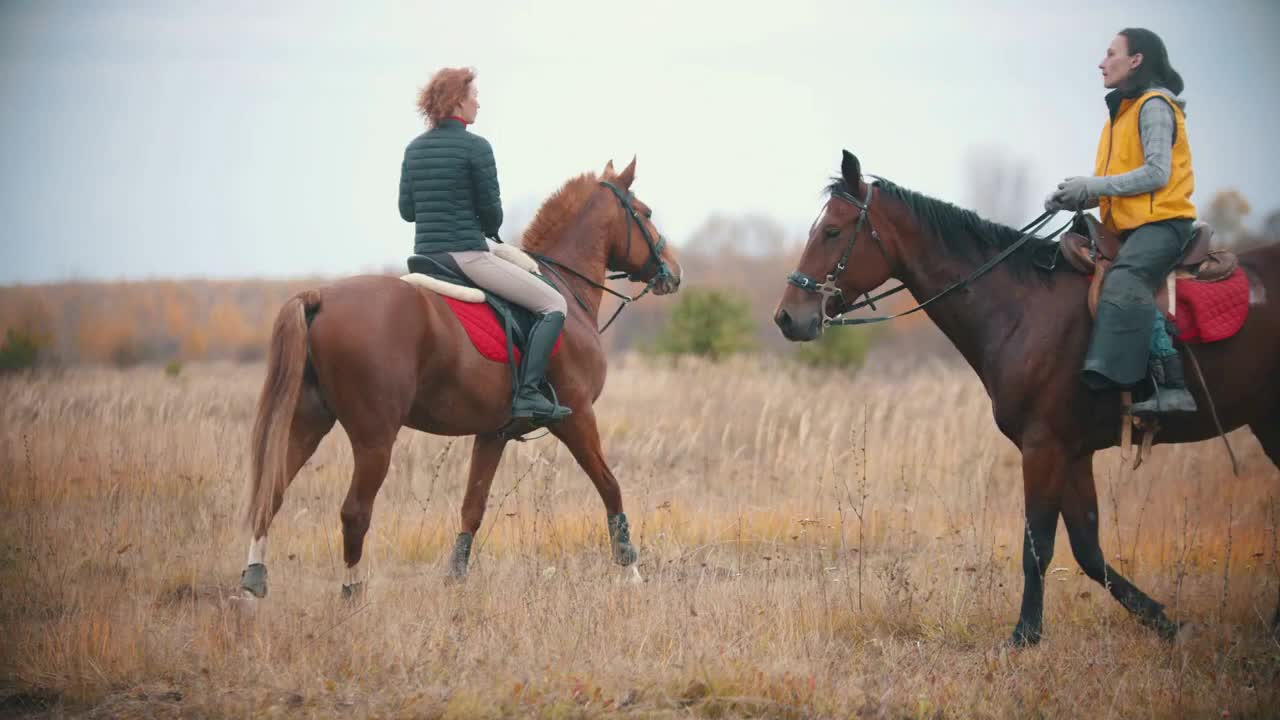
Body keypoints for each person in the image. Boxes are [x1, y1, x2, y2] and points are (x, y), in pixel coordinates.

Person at [399, 67, 571, 423]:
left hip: (426, 258)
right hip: (467, 257)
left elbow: (406, 211)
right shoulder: (476, 148)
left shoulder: (414, 149)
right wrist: (483, 224)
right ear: (458, 102)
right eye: (474, 96)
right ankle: (526, 395)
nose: (479, 103)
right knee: (553, 303)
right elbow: (492, 216)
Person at [1046, 28, 1198, 415]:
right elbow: (1120, 186)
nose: (1101, 62)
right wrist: (1073, 197)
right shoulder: (1118, 117)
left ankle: (1172, 385)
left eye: (1111, 53)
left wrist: (1093, 185)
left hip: (1163, 226)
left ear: (1136, 60)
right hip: (1127, 227)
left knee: (1127, 278)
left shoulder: (1154, 106)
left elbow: (1157, 175)